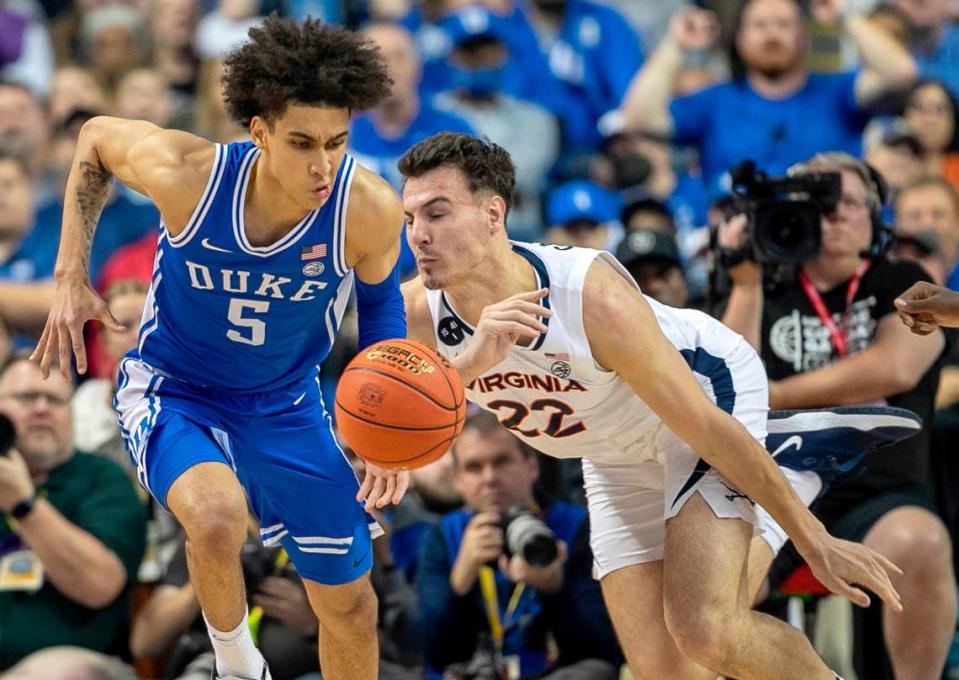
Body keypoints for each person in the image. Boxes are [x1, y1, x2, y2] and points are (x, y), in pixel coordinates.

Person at [398, 131, 904, 680]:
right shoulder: (416, 313)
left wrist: (816, 541)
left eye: (437, 214)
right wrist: (468, 362)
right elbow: (392, 418)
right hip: (610, 448)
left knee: (708, 631)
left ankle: (787, 468)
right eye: (409, 218)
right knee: (671, 673)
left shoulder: (589, 297)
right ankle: (782, 463)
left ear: (493, 214)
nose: (418, 236)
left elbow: (705, 426)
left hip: (702, 400)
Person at [31, 17, 410, 680]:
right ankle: (239, 667)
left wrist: (389, 432)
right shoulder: (187, 176)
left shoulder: (367, 207)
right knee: (214, 515)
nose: (322, 164)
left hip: (284, 403)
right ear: (258, 131)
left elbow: (380, 310)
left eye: (336, 142)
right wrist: (69, 272)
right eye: (300, 142)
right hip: (174, 388)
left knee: (351, 606)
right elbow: (93, 139)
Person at [720, 152, 955, 680]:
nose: (835, 215)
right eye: (818, 204)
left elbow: (897, 365)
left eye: (848, 202)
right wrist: (747, 284)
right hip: (770, 487)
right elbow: (730, 383)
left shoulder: (901, 276)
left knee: (920, 541)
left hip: (877, 490)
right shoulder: (764, 281)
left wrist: (777, 393)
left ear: (874, 215)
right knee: (715, 585)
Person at [621, 0, 917, 196]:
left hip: (827, 246)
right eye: (760, 25)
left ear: (804, 36)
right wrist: (676, 46)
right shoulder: (715, 102)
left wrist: (843, 17)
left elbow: (900, 73)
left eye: (784, 24)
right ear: (740, 39)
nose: (772, 34)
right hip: (736, 248)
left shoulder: (836, 92)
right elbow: (637, 119)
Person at [416, 411, 621, 680]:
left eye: (502, 462)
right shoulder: (444, 534)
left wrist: (554, 589)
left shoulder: (575, 525)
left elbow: (604, 649)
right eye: (474, 467)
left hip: (551, 672)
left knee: (594, 673)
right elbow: (434, 655)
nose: (489, 478)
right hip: (474, 673)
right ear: (458, 481)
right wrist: (461, 580)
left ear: (531, 466)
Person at [0, 354, 147, 668]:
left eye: (55, 401)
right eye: (27, 397)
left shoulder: (102, 479)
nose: (41, 408)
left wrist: (22, 504)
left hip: (79, 663)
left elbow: (99, 586)